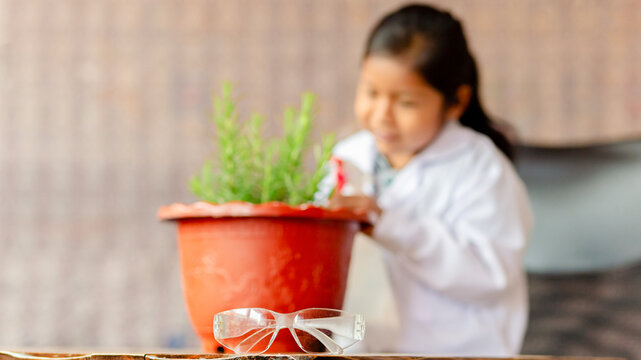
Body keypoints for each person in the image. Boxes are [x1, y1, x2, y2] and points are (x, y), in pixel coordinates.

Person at [326, 3, 533, 356]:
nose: (381, 115)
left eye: (405, 102)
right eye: (371, 93)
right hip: (362, 349)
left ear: (455, 102)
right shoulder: (349, 155)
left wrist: (388, 224)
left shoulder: (482, 168)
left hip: (457, 350)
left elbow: (490, 274)